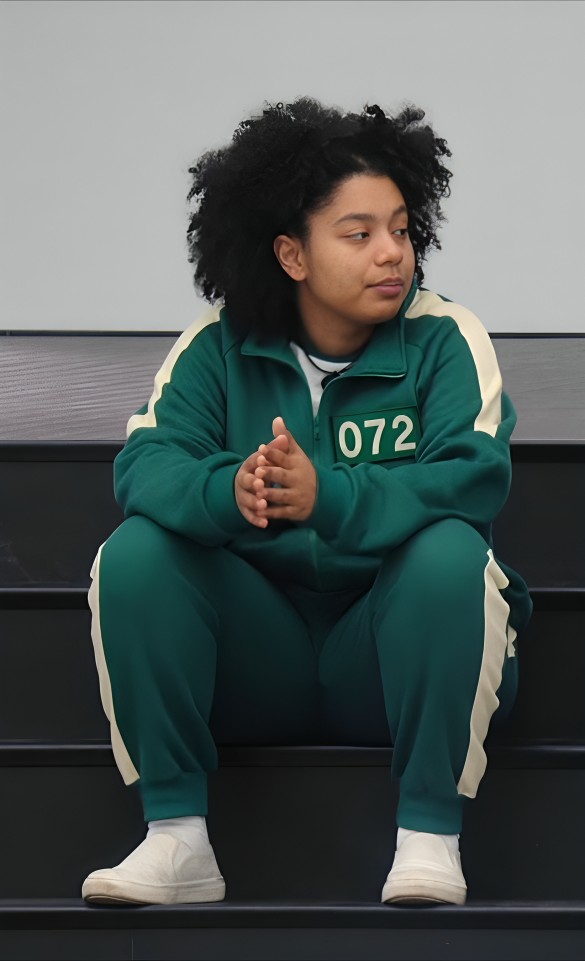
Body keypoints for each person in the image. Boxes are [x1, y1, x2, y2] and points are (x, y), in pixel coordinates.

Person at [82, 99, 531, 907]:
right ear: (292, 253)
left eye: (401, 228)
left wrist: (330, 496)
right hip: (258, 663)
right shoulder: (216, 346)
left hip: (388, 666)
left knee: (450, 552)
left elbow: (471, 476)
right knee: (136, 554)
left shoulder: (444, 337)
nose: (392, 253)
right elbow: (145, 465)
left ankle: (429, 836)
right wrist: (231, 490)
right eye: (358, 234)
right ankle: (176, 838)